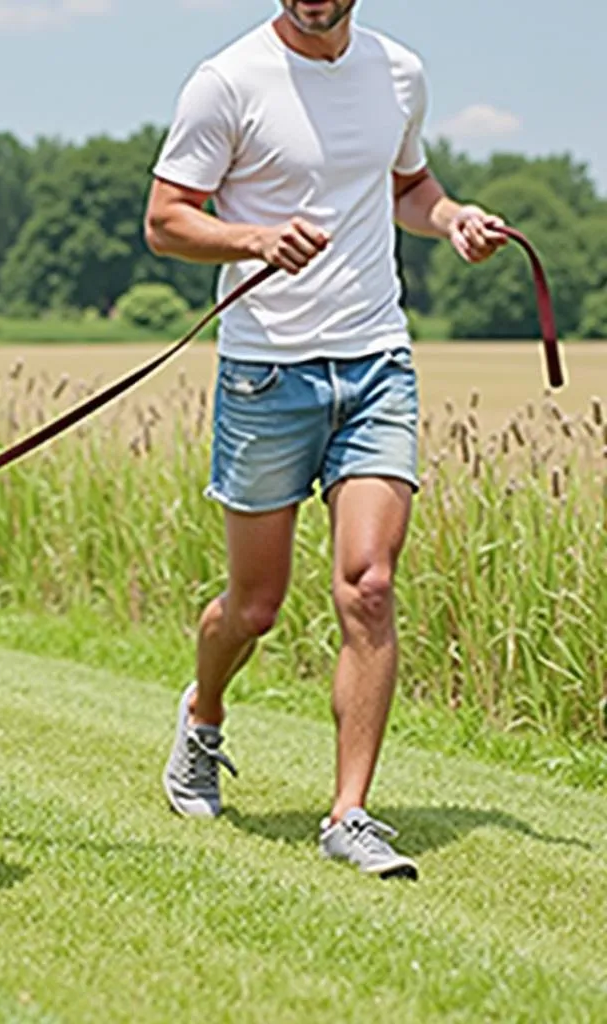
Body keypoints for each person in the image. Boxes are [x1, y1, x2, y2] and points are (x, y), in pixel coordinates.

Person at [146, 0, 507, 880]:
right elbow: (166, 220)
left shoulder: (398, 71)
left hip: (377, 358)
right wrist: (252, 237)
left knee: (369, 586)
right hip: (268, 374)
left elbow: (405, 186)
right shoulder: (226, 82)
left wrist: (450, 215)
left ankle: (349, 813)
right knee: (254, 607)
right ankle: (204, 715)